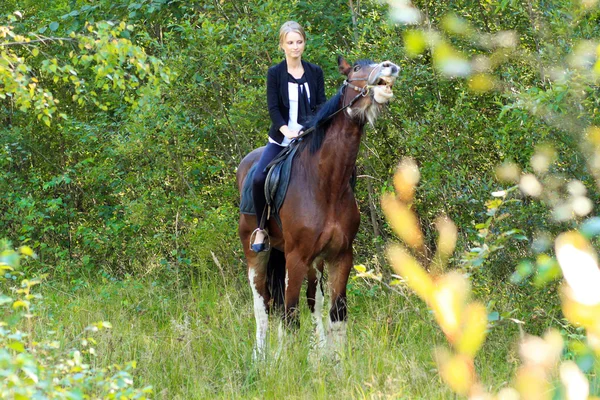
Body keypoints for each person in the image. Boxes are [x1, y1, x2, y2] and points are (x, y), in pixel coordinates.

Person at [250, 21, 327, 252]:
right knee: (258, 178)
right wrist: (286, 130)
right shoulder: (275, 74)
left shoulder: (315, 72)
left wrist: (310, 129)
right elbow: (273, 108)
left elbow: (321, 105)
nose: (295, 47)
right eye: (290, 42)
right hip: (282, 139)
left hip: (309, 138)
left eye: (299, 42)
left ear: (304, 43)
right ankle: (261, 228)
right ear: (282, 45)